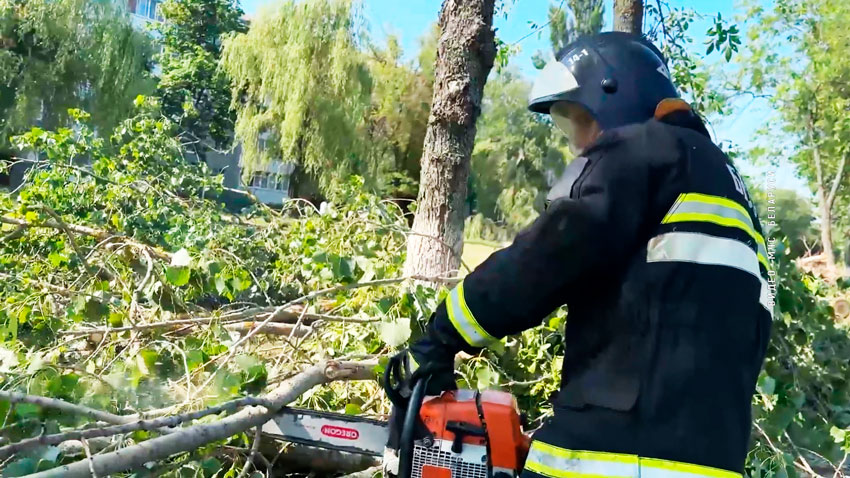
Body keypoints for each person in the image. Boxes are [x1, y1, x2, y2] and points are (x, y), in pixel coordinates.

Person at [389, 32, 772, 478]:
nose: (579, 144)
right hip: (712, 460)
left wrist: (441, 336)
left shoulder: (641, 151)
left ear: (617, 93)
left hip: (615, 455)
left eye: (579, 120)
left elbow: (545, 257)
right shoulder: (729, 187)